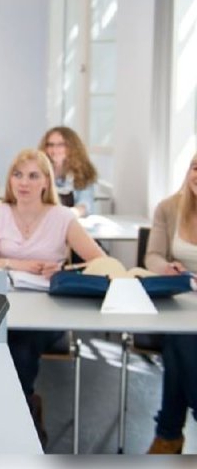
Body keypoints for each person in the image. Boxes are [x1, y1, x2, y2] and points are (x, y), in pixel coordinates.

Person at [0, 148, 104, 448]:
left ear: (45, 182)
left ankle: (18, 419)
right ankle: (15, 413)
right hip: (8, 306)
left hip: (48, 311)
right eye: (17, 175)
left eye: (32, 176)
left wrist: (65, 268)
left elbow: (101, 262)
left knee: (21, 347)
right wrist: (15, 263)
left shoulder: (62, 217)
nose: (23, 183)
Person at [144, 153, 197, 454]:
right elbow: (152, 256)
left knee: (180, 344)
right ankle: (169, 434)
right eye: (195, 167)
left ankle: (168, 435)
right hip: (177, 299)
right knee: (181, 336)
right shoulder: (168, 208)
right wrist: (165, 267)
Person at [39, 126, 98, 217]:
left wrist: (68, 214)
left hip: (72, 223)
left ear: (72, 147)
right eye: (50, 145)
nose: (54, 149)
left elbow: (85, 204)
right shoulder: (38, 169)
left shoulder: (84, 172)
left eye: (60, 145)